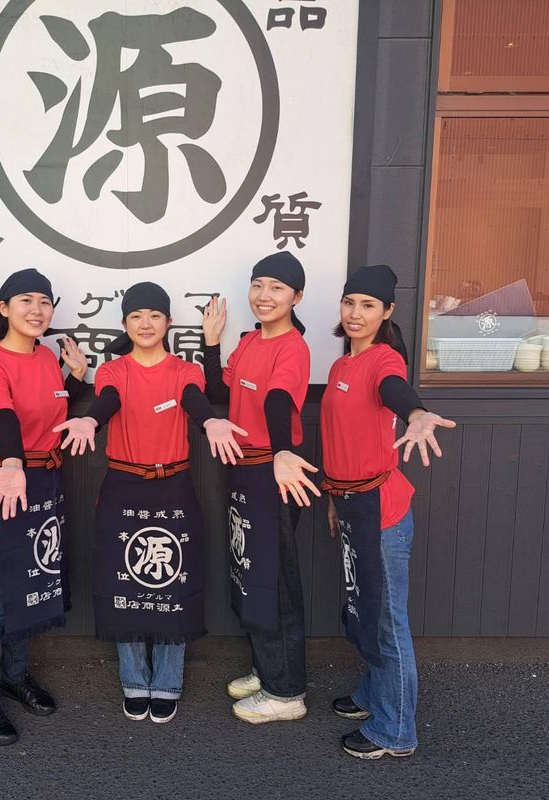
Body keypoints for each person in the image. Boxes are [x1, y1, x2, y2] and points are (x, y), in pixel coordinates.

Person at [55, 281, 244, 723]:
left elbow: (194, 400)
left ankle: (168, 681)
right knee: (124, 582)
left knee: (172, 581)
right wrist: (89, 421)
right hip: (124, 484)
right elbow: (108, 401)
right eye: (136, 316)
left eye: (155, 316)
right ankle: (133, 679)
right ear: (125, 324)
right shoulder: (113, 371)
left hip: (173, 484)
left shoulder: (184, 370)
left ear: (168, 322)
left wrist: (210, 423)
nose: (145, 324)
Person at [320, 264, 456, 759]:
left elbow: (395, 390)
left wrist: (416, 414)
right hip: (350, 504)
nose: (355, 313)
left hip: (381, 509)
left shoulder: (384, 359)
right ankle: (373, 695)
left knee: (386, 620)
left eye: (368, 305)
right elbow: (342, 440)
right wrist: (334, 499)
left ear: (387, 312)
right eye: (349, 302)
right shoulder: (341, 366)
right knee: (365, 605)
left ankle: (395, 731)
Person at [0, 268, 88, 746]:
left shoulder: (47, 358)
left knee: (31, 588)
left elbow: (51, 416)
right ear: (4, 308)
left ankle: (14, 676)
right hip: (2, 488)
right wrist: (13, 461)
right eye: (25, 300)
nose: (36, 310)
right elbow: (4, 416)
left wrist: (76, 380)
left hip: (42, 487)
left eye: (44, 302)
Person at [201, 251, 320, 724]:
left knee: (275, 583)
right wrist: (212, 344)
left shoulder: (292, 347)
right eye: (258, 285)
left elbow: (277, 399)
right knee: (251, 574)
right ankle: (268, 669)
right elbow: (219, 393)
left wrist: (280, 452)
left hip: (275, 472)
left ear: (297, 297)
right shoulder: (249, 341)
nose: (264, 295)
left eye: (277, 287)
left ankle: (286, 693)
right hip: (245, 470)